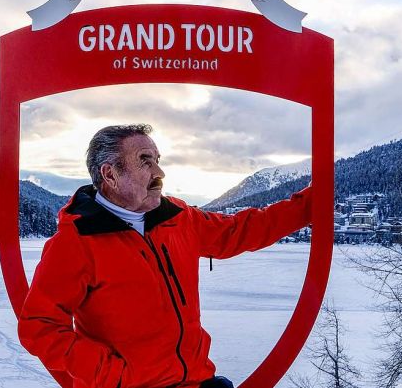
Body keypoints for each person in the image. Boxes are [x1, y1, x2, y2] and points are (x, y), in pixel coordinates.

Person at [18, 124, 312, 388]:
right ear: (110, 174)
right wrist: (112, 376)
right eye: (145, 161)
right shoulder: (77, 242)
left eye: (157, 161)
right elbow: (39, 327)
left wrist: (310, 205)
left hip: (195, 381)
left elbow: (240, 231)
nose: (159, 173)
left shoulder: (178, 217)